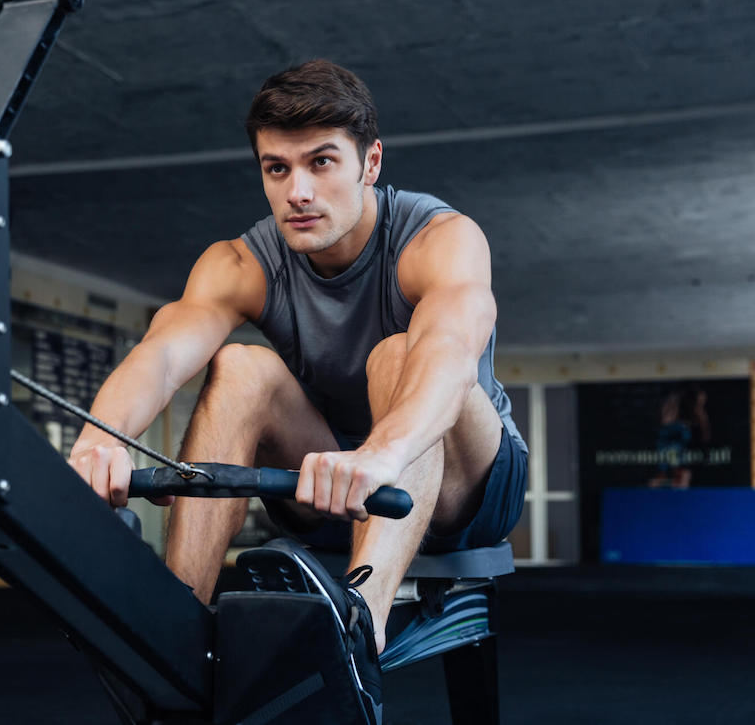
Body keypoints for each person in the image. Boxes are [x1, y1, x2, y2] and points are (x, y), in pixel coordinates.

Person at [67, 59, 527, 708]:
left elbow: (449, 356)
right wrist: (99, 439)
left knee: (397, 357)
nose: (298, 192)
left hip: (465, 483)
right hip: (332, 479)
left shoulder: (439, 238)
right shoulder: (244, 262)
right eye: (277, 169)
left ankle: (353, 632)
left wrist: (381, 457)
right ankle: (173, 634)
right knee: (239, 367)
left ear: (370, 163)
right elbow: (163, 355)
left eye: (321, 163)